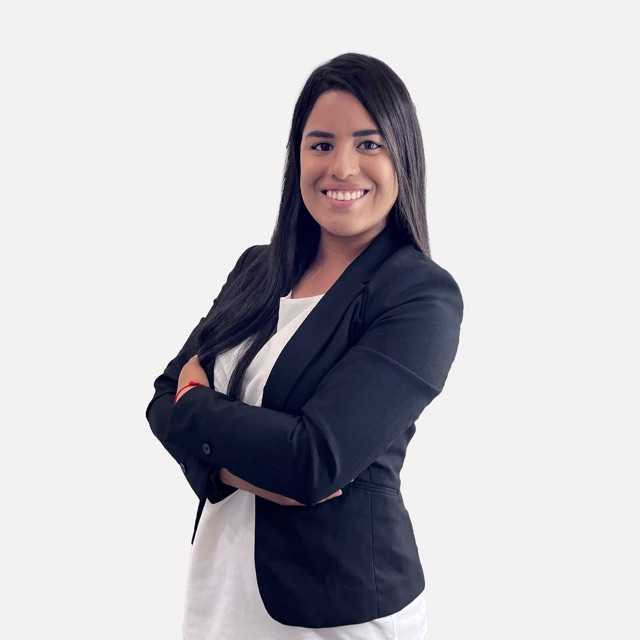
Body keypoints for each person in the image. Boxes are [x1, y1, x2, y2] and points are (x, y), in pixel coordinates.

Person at [145, 52, 464, 639]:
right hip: (221, 599)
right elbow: (162, 397)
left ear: (403, 155)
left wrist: (199, 417)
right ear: (297, 157)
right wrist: (243, 467)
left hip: (339, 616)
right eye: (321, 145)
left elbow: (311, 463)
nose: (342, 166)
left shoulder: (419, 295)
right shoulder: (257, 270)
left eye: (369, 144)